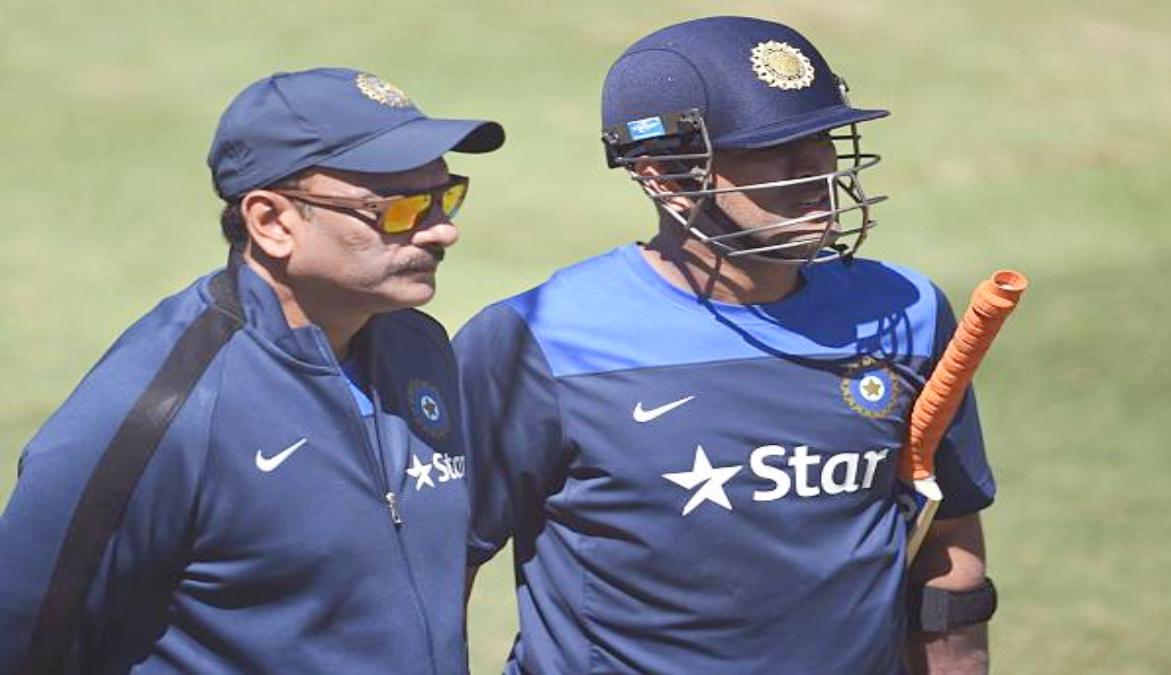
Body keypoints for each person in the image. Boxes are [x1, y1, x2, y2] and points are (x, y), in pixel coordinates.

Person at [455, 17, 995, 674]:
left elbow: (948, 541)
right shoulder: (539, 340)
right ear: (663, 175)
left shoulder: (903, 313)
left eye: (822, 137)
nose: (814, 169)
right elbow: (438, 561)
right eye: (771, 150)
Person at [0, 67, 502, 673]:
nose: (443, 228)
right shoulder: (162, 408)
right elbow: (25, 636)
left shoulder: (418, 349)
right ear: (271, 221)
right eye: (399, 210)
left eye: (446, 195)